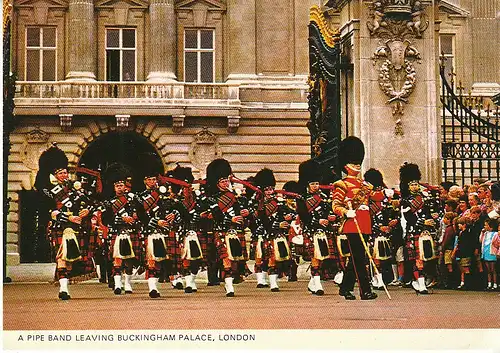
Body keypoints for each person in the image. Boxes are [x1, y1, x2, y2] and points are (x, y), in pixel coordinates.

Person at [35, 144, 97, 300]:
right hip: (60, 227)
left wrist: (87, 211)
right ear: (54, 175)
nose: (64, 175)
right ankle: (63, 289)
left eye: (65, 172)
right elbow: (49, 211)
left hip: (76, 227)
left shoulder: (75, 188)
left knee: (70, 261)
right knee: (62, 257)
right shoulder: (48, 190)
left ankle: (65, 286)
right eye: (60, 173)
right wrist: (69, 217)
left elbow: (90, 202)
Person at [332, 137, 384, 300]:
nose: (357, 166)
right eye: (354, 164)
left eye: (358, 163)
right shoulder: (341, 184)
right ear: (346, 165)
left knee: (356, 259)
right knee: (360, 259)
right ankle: (365, 291)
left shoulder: (364, 185)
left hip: (364, 224)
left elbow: (375, 197)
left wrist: (385, 194)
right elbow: (336, 206)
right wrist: (346, 213)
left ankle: (345, 288)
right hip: (352, 225)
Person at [205, 159, 250, 297]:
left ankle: (229, 281)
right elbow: (216, 215)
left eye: (226, 181)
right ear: (217, 183)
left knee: (234, 259)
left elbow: (241, 214)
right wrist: (231, 219)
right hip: (221, 230)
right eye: (222, 182)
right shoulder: (211, 199)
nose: (226, 184)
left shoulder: (235, 197)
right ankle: (229, 286)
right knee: (226, 258)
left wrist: (245, 214)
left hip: (234, 231)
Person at [101, 163, 145, 295]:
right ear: (113, 187)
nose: (120, 188)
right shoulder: (109, 202)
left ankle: (128, 284)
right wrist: (122, 219)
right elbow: (106, 220)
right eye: (117, 186)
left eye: (121, 185)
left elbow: (142, 215)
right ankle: (118, 284)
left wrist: (135, 218)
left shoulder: (133, 199)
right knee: (117, 259)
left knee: (129, 260)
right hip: (117, 232)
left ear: (125, 186)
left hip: (131, 231)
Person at [399, 162, 438, 295]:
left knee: (427, 258)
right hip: (414, 230)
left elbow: (432, 211)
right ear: (407, 186)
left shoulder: (425, 198)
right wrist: (423, 222)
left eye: (416, 184)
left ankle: (420, 280)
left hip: (425, 232)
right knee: (417, 259)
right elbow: (408, 217)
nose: (415, 186)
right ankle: (420, 283)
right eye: (412, 184)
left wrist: (433, 218)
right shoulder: (405, 201)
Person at [297, 159, 334, 296]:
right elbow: (303, 215)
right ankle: (317, 283)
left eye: (317, 183)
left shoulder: (323, 196)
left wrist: (330, 217)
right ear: (307, 184)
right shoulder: (301, 198)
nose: (315, 186)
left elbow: (328, 211)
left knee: (321, 257)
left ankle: (313, 280)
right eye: (313, 183)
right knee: (315, 256)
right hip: (311, 229)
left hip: (322, 230)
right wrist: (318, 221)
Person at [480, 218, 498, 290]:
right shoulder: (485, 234)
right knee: (488, 270)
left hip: (492, 252)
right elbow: (481, 240)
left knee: (493, 269)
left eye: (486, 225)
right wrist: (482, 233)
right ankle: (489, 283)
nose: (485, 227)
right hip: (486, 252)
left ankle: (495, 284)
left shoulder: (495, 234)